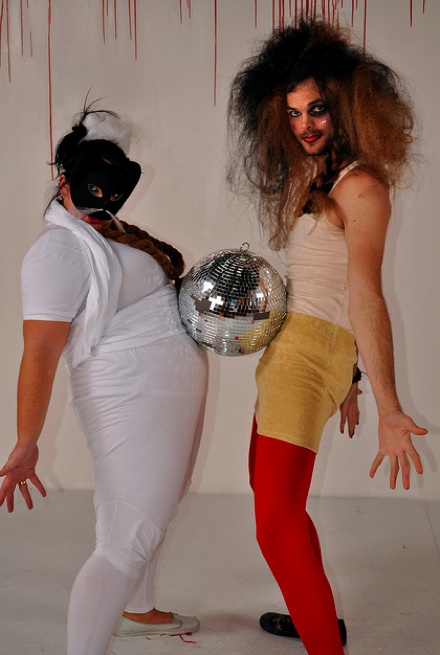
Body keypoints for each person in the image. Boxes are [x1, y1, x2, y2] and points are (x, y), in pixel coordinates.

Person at [227, 18, 428, 654]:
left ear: (346, 105)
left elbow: (365, 295)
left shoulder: (361, 186)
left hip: (307, 357)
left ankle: (323, 644)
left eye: (317, 108)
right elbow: (331, 289)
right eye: (292, 113)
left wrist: (388, 407)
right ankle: (315, 616)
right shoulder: (319, 175)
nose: (305, 124)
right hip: (294, 350)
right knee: (274, 502)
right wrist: (352, 378)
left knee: (274, 524)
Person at [0, 105, 208, 655]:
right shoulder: (57, 250)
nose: (101, 210)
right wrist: (26, 441)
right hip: (129, 396)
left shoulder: (106, 231)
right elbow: (41, 351)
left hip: (161, 394)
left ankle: (136, 610)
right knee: (127, 536)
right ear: (63, 182)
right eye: (91, 196)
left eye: (111, 198)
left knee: (153, 509)